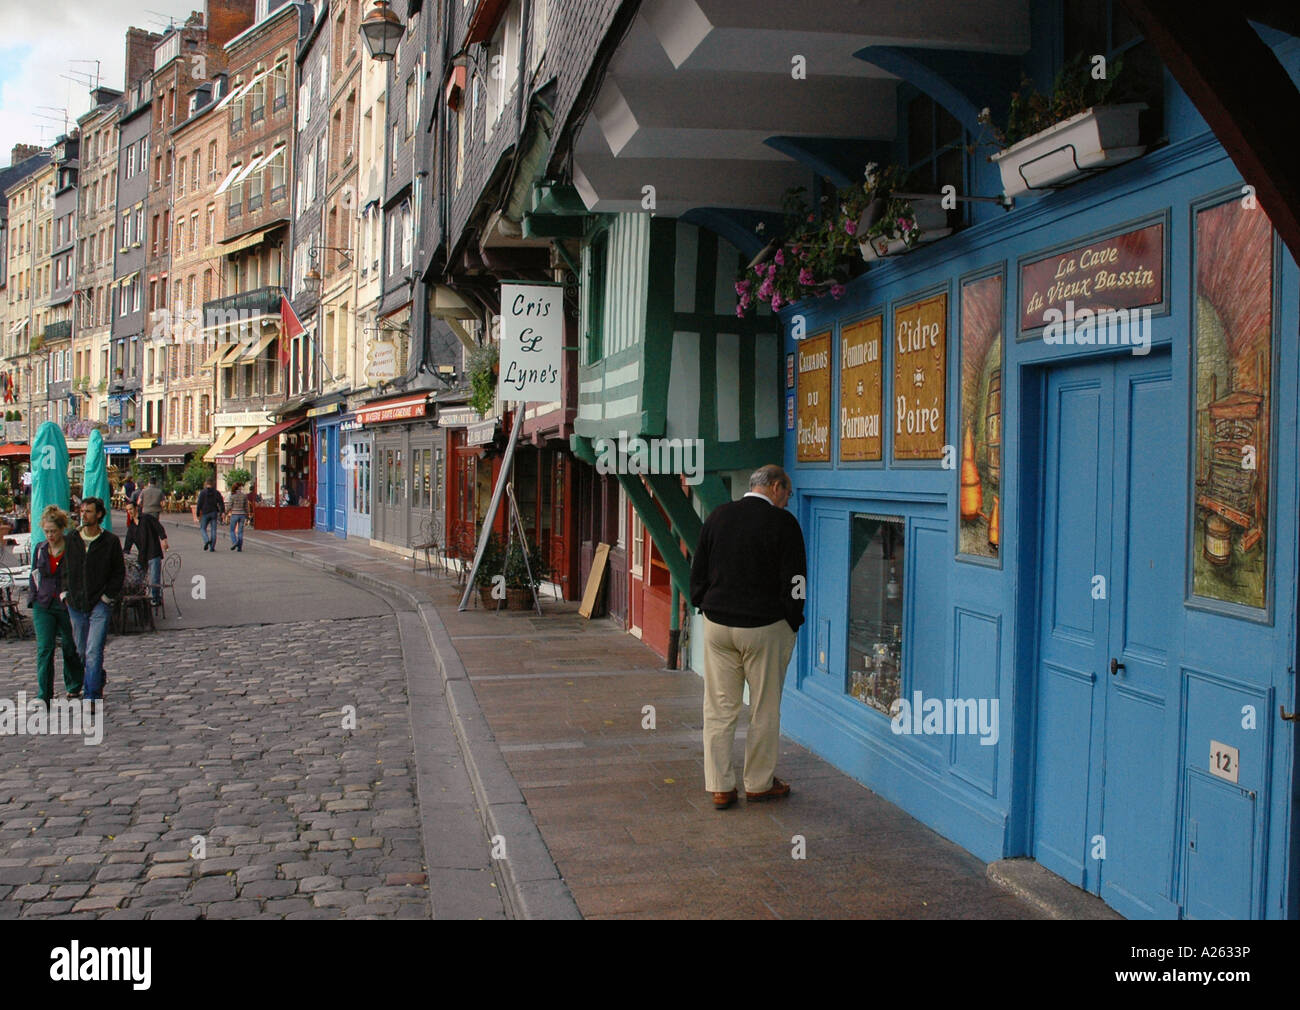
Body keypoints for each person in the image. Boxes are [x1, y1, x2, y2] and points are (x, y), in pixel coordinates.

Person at [689, 464, 807, 811]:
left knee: (719, 707)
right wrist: (793, 619)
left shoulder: (719, 516)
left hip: (718, 625)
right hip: (765, 627)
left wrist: (702, 602)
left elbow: (698, 568)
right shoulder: (784, 525)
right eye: (787, 492)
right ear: (774, 487)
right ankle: (758, 783)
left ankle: (720, 787)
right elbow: (796, 579)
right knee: (764, 708)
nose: (788, 499)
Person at [61, 497, 125, 704]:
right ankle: (98, 677)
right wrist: (65, 593)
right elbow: (64, 567)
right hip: (76, 602)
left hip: (99, 602)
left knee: (93, 650)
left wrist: (107, 596)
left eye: (88, 511)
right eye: (82, 511)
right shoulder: (72, 538)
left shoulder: (110, 541)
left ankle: (92, 696)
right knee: (82, 650)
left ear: (98, 515)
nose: (84, 514)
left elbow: (118, 572)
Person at [28, 506, 84, 704]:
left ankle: (74, 684)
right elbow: (34, 574)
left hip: (67, 604)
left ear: (62, 529)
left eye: (53, 531)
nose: (50, 535)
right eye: (47, 531)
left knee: (70, 646)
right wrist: (33, 597)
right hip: (43, 604)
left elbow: (80, 573)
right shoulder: (41, 548)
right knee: (45, 648)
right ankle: (44, 694)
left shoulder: (71, 547)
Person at [123, 500, 168, 605]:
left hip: (153, 553)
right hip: (142, 557)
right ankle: (138, 598)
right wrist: (124, 554)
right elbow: (127, 544)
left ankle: (156, 599)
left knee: (154, 579)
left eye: (131, 509)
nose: (129, 511)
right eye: (127, 510)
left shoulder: (146, 519)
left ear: (135, 508)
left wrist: (164, 540)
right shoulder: (132, 527)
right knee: (136, 578)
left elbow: (159, 527)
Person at [194, 478, 225, 552]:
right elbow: (221, 502)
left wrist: (198, 513)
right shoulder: (216, 492)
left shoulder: (202, 492)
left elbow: (199, 504)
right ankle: (212, 547)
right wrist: (222, 512)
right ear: (213, 483)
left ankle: (206, 540)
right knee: (213, 530)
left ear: (206, 483)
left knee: (202, 528)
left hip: (205, 512)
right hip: (214, 512)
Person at [226, 481, 248, 551]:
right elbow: (246, 507)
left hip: (234, 514)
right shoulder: (244, 496)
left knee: (232, 530)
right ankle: (239, 547)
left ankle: (235, 542)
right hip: (242, 515)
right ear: (240, 488)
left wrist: (225, 512)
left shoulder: (233, 496)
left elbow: (229, 506)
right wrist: (247, 514)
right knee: (240, 532)